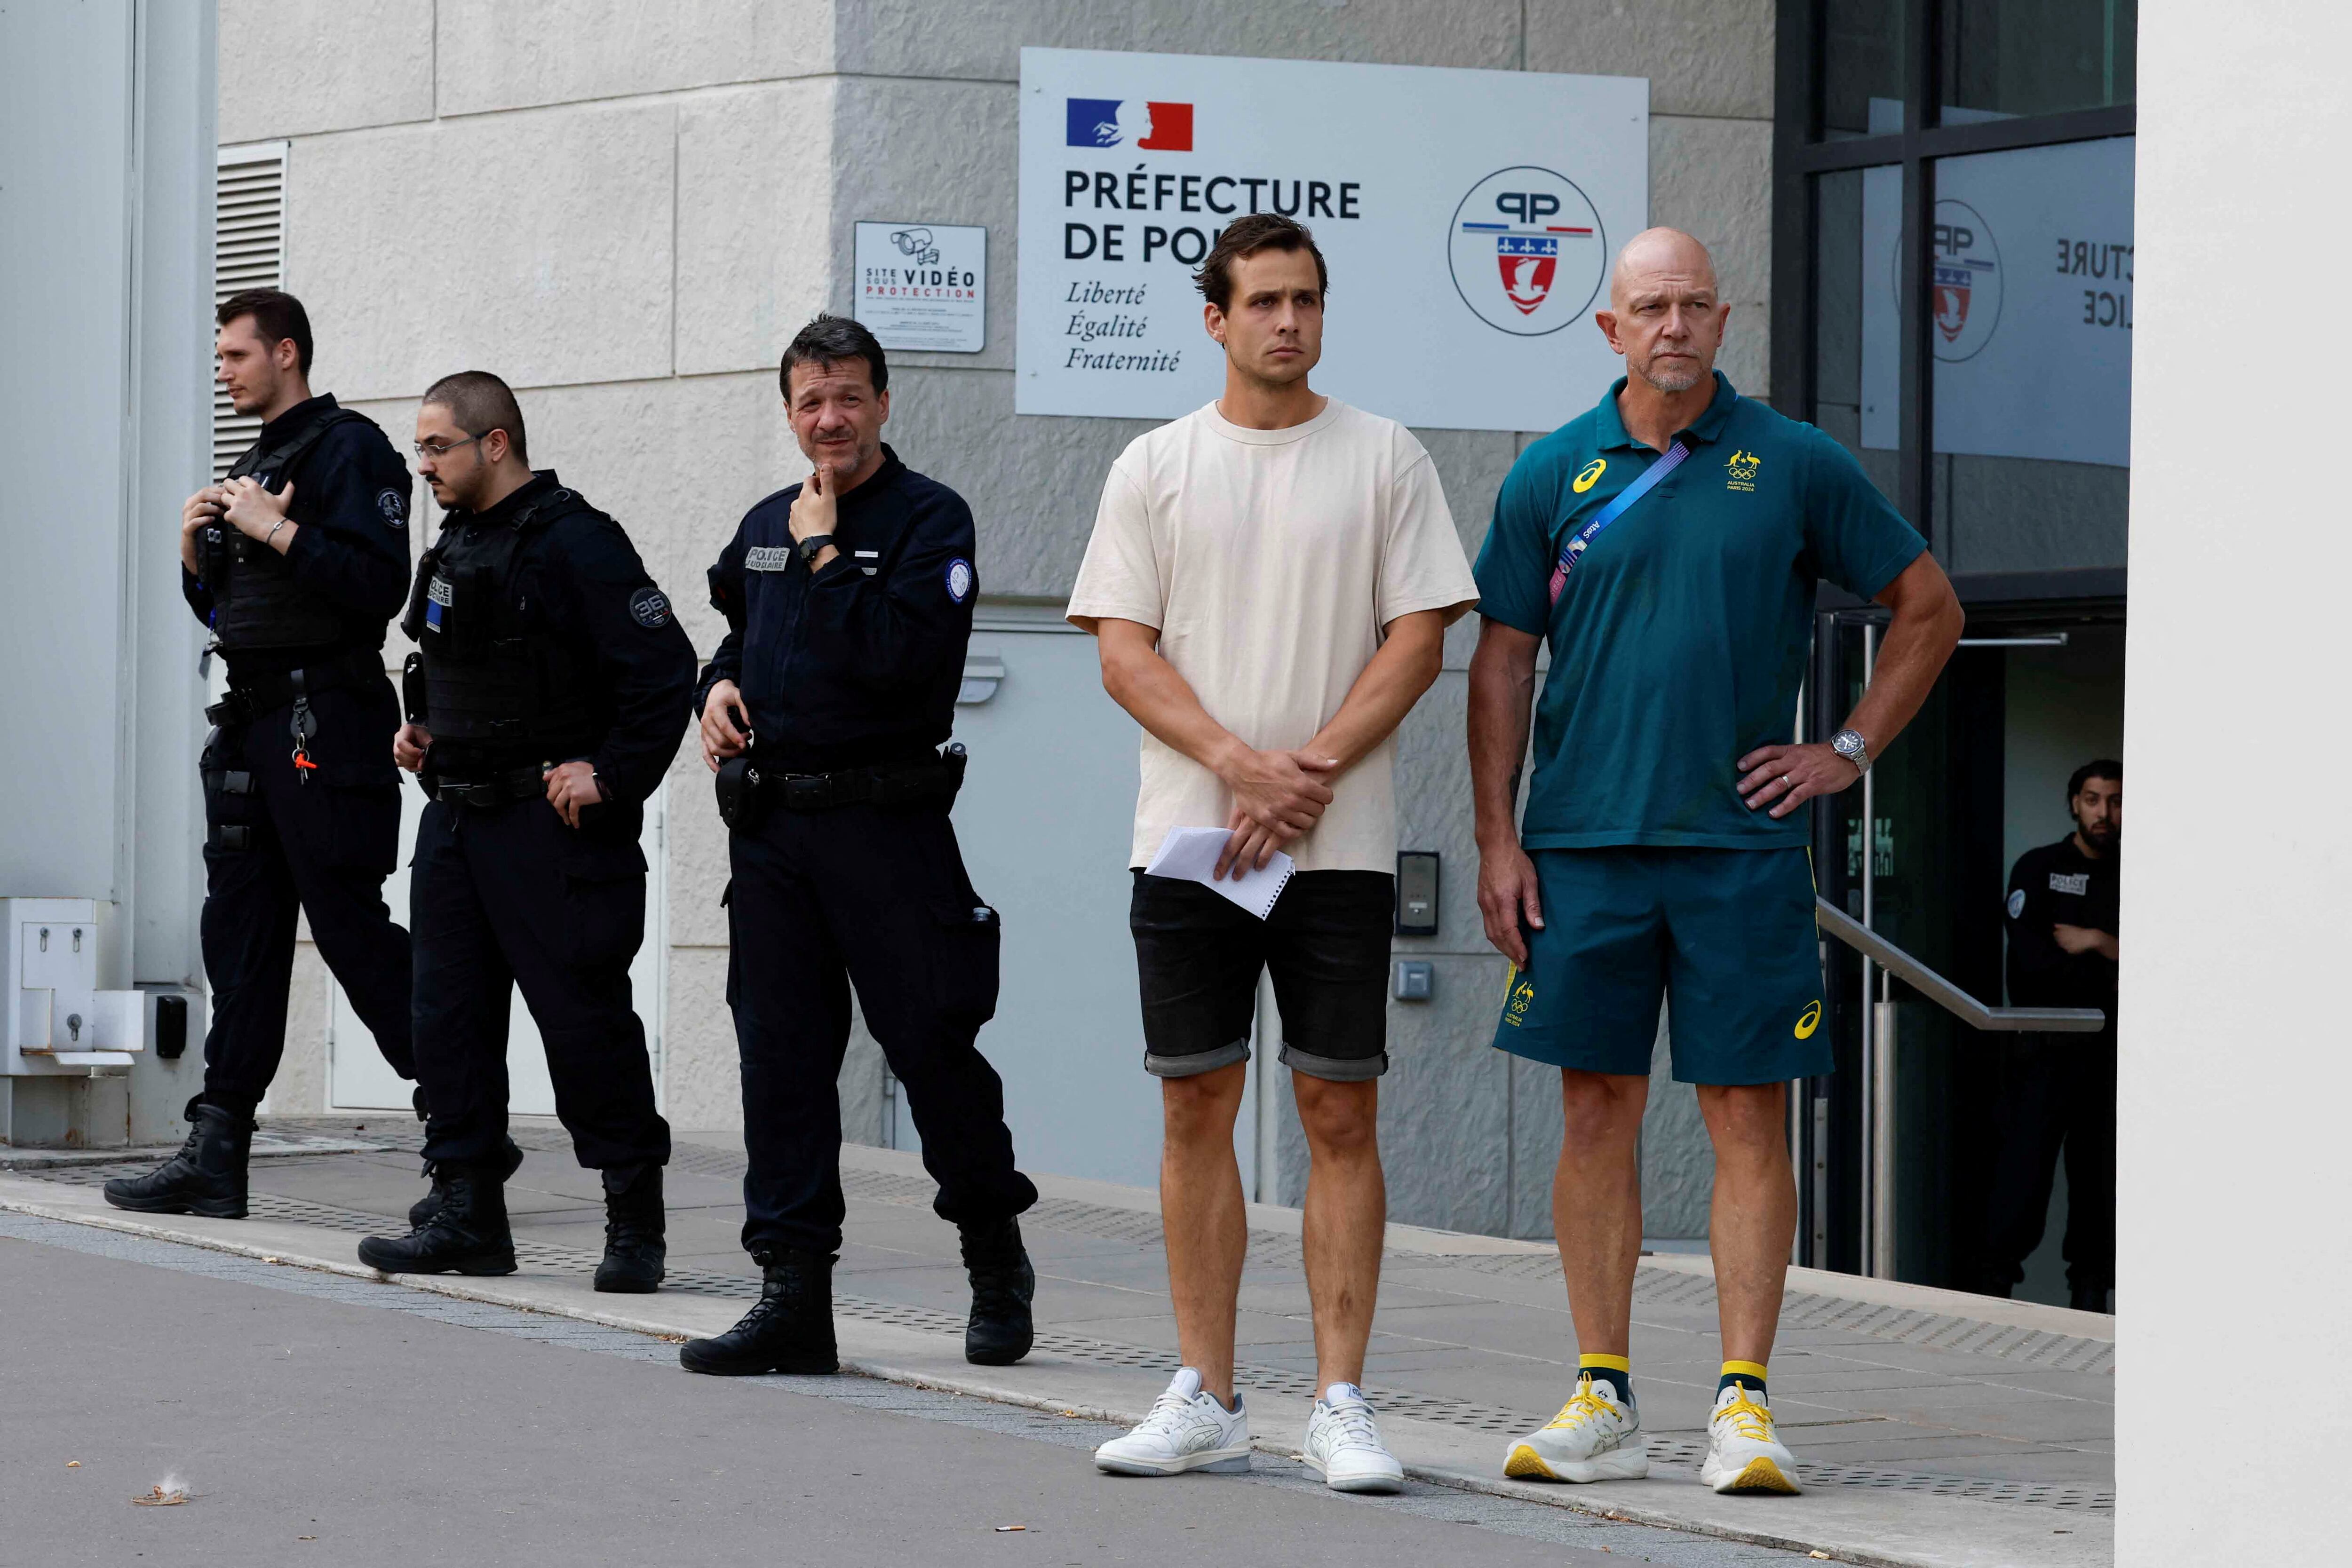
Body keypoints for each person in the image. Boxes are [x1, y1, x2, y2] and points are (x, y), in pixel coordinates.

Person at [1469, 229, 1963, 1495]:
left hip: (1741, 846)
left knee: (1745, 1114)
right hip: (1580, 843)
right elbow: (1503, 660)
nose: (1673, 325)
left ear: (1722, 317)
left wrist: (1846, 745)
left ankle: (1743, 1405)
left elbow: (1929, 603)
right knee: (1597, 1109)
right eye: (1649, 307)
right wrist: (1496, 836)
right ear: (1610, 328)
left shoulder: (1792, 459)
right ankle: (1603, 1394)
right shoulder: (1552, 471)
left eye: (1693, 304)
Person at [1067, 214, 1479, 1494]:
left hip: (1338, 849)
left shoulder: (1386, 457)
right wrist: (1243, 765)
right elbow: (1123, 648)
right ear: (1216, 316)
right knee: (1198, 1104)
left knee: (1336, 1107)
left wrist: (1301, 775)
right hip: (1194, 839)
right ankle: (1209, 1392)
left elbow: (1418, 637)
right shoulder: (1156, 464)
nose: (1288, 321)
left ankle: (1341, 1400)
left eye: (1306, 299)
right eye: (1263, 302)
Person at [682, 315, 1040, 1378]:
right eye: (808, 402)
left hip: (887, 830)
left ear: (883, 403)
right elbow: (739, 632)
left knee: (933, 1053)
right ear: (788, 412)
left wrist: (828, 549)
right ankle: (792, 1296)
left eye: (846, 397)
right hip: (776, 835)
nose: (828, 419)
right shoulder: (762, 524)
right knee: (780, 1065)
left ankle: (992, 1249)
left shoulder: (931, 519)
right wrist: (716, 689)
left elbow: (905, 662)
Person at [354, 372, 695, 1292]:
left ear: (495, 442)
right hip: (458, 817)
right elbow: (445, 657)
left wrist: (612, 775)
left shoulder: (577, 541)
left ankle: (634, 1219)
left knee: (583, 1023)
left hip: (548, 832)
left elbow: (665, 668)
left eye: (436, 447)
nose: (422, 464)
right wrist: (423, 732)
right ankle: (467, 1210)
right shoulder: (460, 538)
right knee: (449, 1020)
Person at [107, 290, 417, 1221]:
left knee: (352, 932)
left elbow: (377, 588)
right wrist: (196, 559)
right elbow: (236, 618)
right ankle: (216, 1151)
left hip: (322, 723)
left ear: (286, 353)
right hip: (250, 723)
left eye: (237, 355)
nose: (224, 370)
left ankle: (464, 1123)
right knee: (240, 941)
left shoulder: (349, 449)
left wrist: (272, 528)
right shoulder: (256, 463)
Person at [1977, 760, 2120, 1311]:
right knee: (2020, 1182)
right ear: (2072, 803)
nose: (2103, 813)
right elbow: (2032, 965)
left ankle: (2090, 1309)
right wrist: (2112, 958)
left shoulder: (2141, 872)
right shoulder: (2037, 868)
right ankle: (1988, 1310)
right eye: (2091, 799)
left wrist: (2097, 940)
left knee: (2099, 1185)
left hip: (2109, 1056)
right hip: (2041, 1052)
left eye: (2114, 800)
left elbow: (2163, 966)